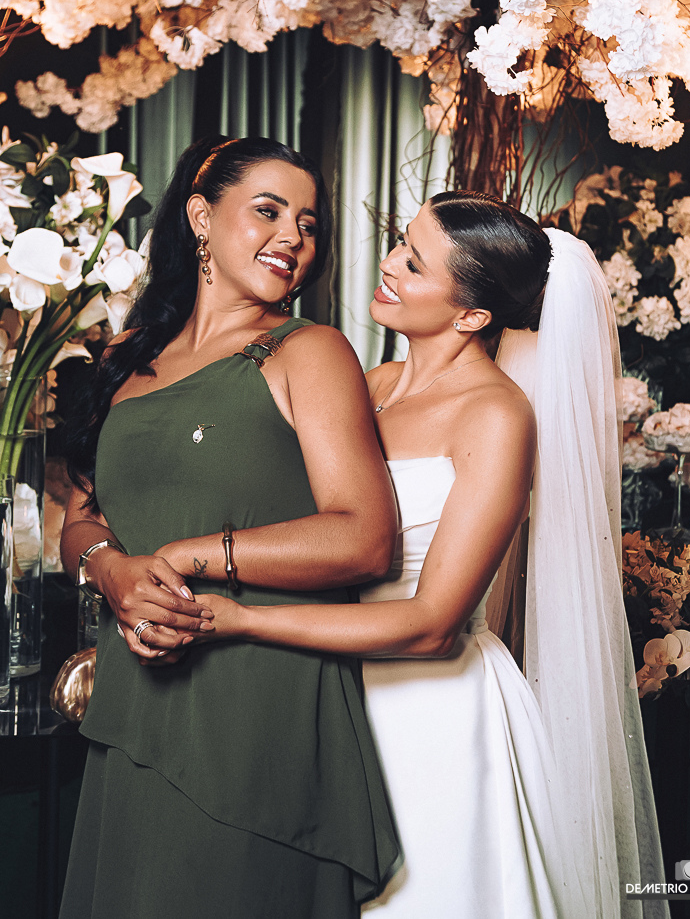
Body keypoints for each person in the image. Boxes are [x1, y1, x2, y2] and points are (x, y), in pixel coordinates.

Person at [192, 191, 670, 919]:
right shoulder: (369, 385)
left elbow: (433, 626)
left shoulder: (495, 416)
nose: (388, 265)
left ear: (471, 316)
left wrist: (243, 621)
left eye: (414, 264)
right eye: (399, 242)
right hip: (322, 695)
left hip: (430, 719)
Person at [59, 136, 401, 919]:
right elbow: (81, 518)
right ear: (201, 218)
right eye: (268, 211)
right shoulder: (125, 356)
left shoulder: (308, 352)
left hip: (257, 705)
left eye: (308, 224)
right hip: (135, 697)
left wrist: (187, 557)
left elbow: (365, 538)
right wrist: (112, 571)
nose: (293, 238)